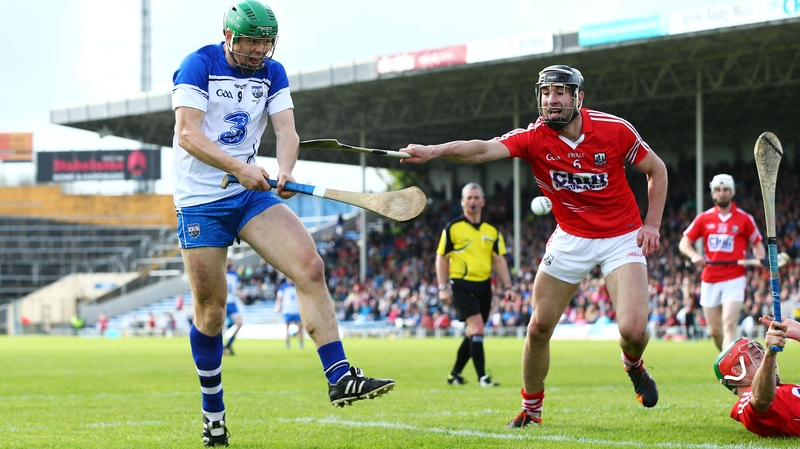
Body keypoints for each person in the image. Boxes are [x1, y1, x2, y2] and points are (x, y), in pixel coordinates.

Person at [171, 2, 394, 445]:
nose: (257, 50)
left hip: (249, 193)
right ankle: (212, 411)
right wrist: (237, 166)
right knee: (212, 312)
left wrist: (286, 170)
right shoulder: (197, 65)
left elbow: (286, 132)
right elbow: (187, 134)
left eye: (264, 41)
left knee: (310, 266)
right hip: (200, 202)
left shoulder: (273, 72)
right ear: (229, 36)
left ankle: (339, 375)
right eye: (249, 41)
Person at [400, 64, 668, 428]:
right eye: (545, 93)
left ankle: (633, 364)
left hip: (621, 236)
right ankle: (531, 410)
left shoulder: (615, 129)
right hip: (571, 237)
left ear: (578, 98)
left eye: (559, 92)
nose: (550, 100)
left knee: (634, 332)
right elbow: (480, 151)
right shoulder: (533, 137)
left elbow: (657, 170)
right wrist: (432, 151)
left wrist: (651, 223)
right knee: (539, 327)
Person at [437, 182, 514, 388]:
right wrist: (443, 287)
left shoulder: (492, 230)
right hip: (461, 284)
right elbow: (440, 257)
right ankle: (483, 378)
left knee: (473, 332)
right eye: (468, 198)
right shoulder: (452, 228)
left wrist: (508, 287)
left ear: (482, 201)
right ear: (462, 202)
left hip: (484, 285)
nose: (472, 201)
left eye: (475, 198)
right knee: (478, 327)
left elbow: (499, 259)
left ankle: (454, 374)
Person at [679, 174, 765, 351]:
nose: (722, 193)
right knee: (715, 330)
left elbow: (758, 246)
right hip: (710, 278)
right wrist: (694, 255)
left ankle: (730, 371)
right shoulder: (704, 218)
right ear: (713, 193)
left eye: (726, 189)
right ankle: (726, 358)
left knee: (728, 325)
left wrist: (758, 259)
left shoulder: (744, 218)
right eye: (718, 190)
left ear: (732, 192)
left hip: (734, 278)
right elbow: (684, 243)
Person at [714, 316, 800, 437]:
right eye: (758, 357)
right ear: (738, 371)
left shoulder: (780, 389)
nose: (769, 363)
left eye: (763, 354)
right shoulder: (749, 402)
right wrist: (770, 354)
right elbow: (761, 399)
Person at [274, 276, 304, 349]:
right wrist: (277, 306)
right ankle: (287, 342)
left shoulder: (296, 286)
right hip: (287, 310)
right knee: (287, 328)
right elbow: (279, 298)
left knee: (300, 327)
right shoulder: (283, 287)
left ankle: (301, 342)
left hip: (296, 310)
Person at [223, 259, 244, 355]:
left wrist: (241, 294)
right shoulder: (219, 271)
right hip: (222, 302)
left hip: (232, 303)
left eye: (230, 260)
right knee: (219, 327)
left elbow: (236, 288)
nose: (228, 262)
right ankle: (220, 348)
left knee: (239, 323)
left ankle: (229, 344)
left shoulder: (235, 274)